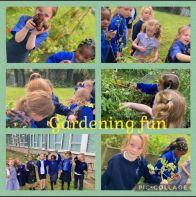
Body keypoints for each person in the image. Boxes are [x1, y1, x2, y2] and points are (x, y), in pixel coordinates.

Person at [121, 90, 186, 128]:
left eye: (154, 103)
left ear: (159, 109)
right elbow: (147, 108)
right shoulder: (159, 116)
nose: (152, 105)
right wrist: (130, 104)